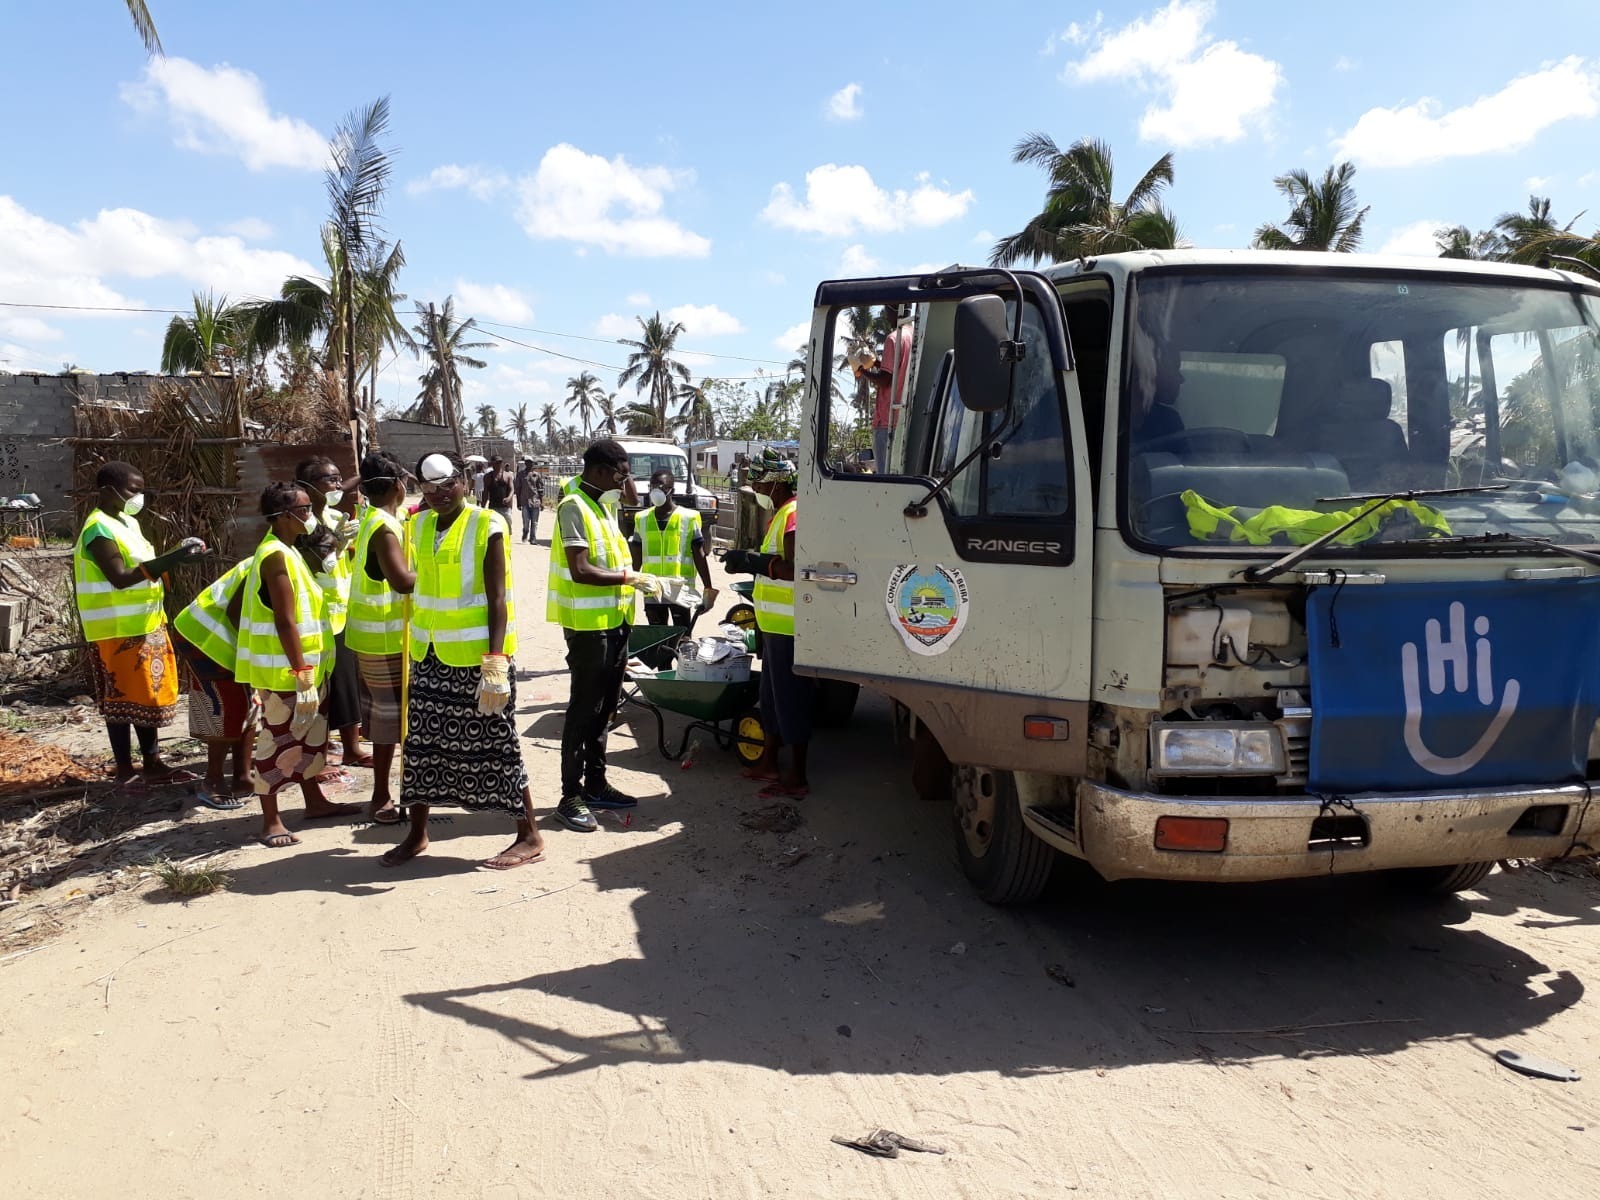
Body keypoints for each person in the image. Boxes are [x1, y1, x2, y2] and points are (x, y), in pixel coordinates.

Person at [381, 451, 545, 870]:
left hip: (478, 659)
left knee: (498, 743)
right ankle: (417, 834)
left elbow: (497, 597)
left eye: (446, 485)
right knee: (422, 744)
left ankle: (529, 835)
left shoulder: (487, 523)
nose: (437, 495)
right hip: (430, 653)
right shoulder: (417, 524)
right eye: (428, 488)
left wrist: (495, 660)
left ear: (465, 480)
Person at [236, 483, 362, 847]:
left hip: (306, 668)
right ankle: (271, 819)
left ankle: (315, 801)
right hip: (285, 672)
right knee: (276, 744)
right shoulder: (274, 555)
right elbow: (285, 620)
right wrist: (301, 672)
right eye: (303, 510)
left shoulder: (290, 552)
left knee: (311, 737)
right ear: (281, 517)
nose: (309, 515)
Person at [547, 439, 663, 831]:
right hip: (587, 628)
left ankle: (596, 783)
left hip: (614, 623)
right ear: (599, 471)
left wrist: (626, 479)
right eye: (620, 472)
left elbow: (631, 502)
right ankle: (570, 795)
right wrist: (632, 577)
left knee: (607, 710)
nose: (625, 480)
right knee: (583, 711)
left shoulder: (602, 504)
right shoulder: (573, 506)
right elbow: (580, 569)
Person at [72, 461, 207, 790]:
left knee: (147, 696)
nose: (139, 496)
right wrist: (174, 557)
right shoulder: (98, 528)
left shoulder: (127, 523)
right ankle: (124, 768)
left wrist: (178, 558)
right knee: (120, 699)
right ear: (108, 490)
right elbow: (119, 577)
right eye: (133, 489)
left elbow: (144, 566)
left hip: (145, 622)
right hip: (115, 630)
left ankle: (153, 762)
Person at [724, 450, 810, 798]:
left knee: (792, 700)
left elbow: (797, 570)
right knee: (772, 699)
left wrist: (755, 563)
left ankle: (797, 777)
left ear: (774, 482)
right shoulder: (780, 513)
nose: (756, 487)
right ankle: (770, 762)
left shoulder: (793, 515)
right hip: (774, 626)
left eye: (759, 481)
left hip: (790, 628)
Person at [346, 451, 416, 825]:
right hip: (383, 637)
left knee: (389, 720)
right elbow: (402, 581)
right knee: (389, 723)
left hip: (377, 635)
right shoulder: (383, 529)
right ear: (397, 486)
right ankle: (380, 797)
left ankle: (397, 792)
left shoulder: (377, 518)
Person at [294, 456, 369, 773]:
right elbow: (314, 561)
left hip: (341, 611)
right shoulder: (304, 521)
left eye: (340, 479)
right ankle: (317, 756)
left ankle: (352, 746)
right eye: (330, 480)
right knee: (322, 688)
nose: (338, 486)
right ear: (309, 487)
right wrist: (337, 541)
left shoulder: (336, 515)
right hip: (316, 615)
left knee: (346, 683)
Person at [170, 556, 254, 809]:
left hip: (230, 637)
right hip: (206, 636)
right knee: (224, 704)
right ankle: (213, 780)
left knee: (249, 702)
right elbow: (235, 612)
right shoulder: (274, 559)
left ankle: (242, 776)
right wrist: (251, 654)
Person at [628, 468, 717, 658]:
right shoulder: (641, 518)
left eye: (661, 486)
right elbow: (636, 554)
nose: (656, 490)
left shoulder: (689, 517)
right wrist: (628, 582)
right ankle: (663, 672)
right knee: (657, 639)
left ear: (671, 490)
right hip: (652, 589)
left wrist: (708, 588)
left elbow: (699, 554)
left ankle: (683, 677)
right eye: (653, 486)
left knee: (682, 638)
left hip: (679, 590)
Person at [858, 309, 912, 473]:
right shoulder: (913, 335)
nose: (886, 315)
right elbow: (897, 371)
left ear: (895, 308)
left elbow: (884, 380)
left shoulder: (893, 338)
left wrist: (863, 371)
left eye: (887, 310)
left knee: (884, 477)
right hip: (904, 418)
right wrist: (876, 364)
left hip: (886, 422)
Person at [514, 458, 542, 544]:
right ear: (525, 463)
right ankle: (525, 533)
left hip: (536, 501)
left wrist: (542, 502)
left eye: (531, 463)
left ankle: (533, 538)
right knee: (526, 522)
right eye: (528, 462)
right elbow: (518, 489)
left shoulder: (536, 475)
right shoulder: (521, 474)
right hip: (525, 502)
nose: (529, 464)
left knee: (535, 522)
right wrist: (518, 502)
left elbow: (540, 489)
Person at [484, 456, 514, 523]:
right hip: (493, 507)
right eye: (496, 462)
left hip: (505, 508)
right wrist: (482, 507)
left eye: (500, 462)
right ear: (492, 464)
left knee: (507, 527)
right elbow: (485, 493)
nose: (498, 464)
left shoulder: (508, 475)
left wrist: (509, 498)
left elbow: (512, 489)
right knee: (494, 528)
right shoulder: (487, 477)